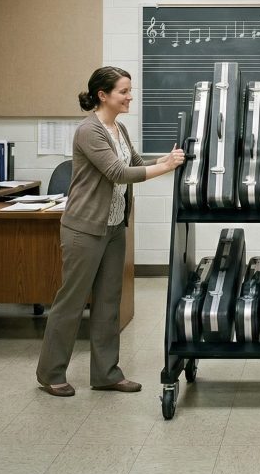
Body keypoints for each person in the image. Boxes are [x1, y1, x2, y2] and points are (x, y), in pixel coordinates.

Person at [36, 66, 185, 396]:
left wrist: (166, 158)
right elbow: (119, 173)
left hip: (114, 225)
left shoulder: (117, 128)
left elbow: (133, 161)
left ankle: (106, 373)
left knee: (108, 302)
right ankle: (50, 372)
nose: (130, 96)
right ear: (103, 95)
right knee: (72, 302)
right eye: (124, 91)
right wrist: (165, 168)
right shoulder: (90, 131)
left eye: (130, 90)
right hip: (85, 228)